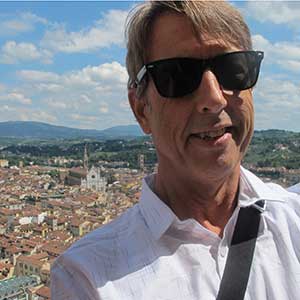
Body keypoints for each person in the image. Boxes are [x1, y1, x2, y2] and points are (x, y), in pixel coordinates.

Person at [51, 1, 300, 299]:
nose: (214, 98)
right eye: (179, 75)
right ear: (141, 109)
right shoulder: (87, 277)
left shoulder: (294, 221)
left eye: (233, 69)